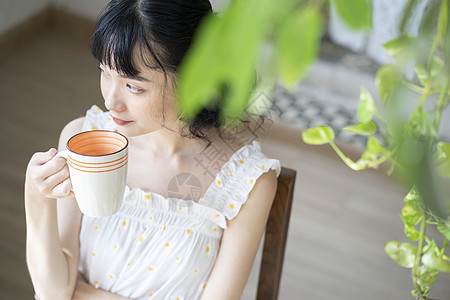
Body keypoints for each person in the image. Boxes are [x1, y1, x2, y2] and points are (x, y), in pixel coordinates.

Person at [24, 0, 280, 299]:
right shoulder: (84, 139)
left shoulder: (246, 182)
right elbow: (54, 292)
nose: (111, 101)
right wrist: (37, 197)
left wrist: (83, 294)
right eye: (105, 72)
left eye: (134, 86)